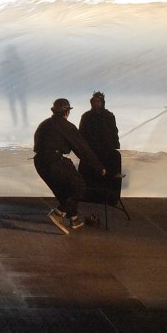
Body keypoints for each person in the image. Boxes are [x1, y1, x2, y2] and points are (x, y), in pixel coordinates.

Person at [33, 98, 105, 233]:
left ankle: (74, 219)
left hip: (39, 162)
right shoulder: (66, 126)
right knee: (79, 187)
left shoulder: (45, 124)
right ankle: (58, 213)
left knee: (64, 191)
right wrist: (99, 167)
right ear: (67, 112)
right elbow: (83, 149)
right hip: (53, 161)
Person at [78, 91, 123, 206]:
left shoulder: (109, 116)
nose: (96, 103)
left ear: (102, 102)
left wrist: (115, 145)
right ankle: (88, 196)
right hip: (91, 150)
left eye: (98, 101)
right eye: (94, 101)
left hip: (106, 149)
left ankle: (110, 198)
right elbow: (81, 133)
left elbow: (113, 131)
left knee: (112, 165)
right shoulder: (86, 116)